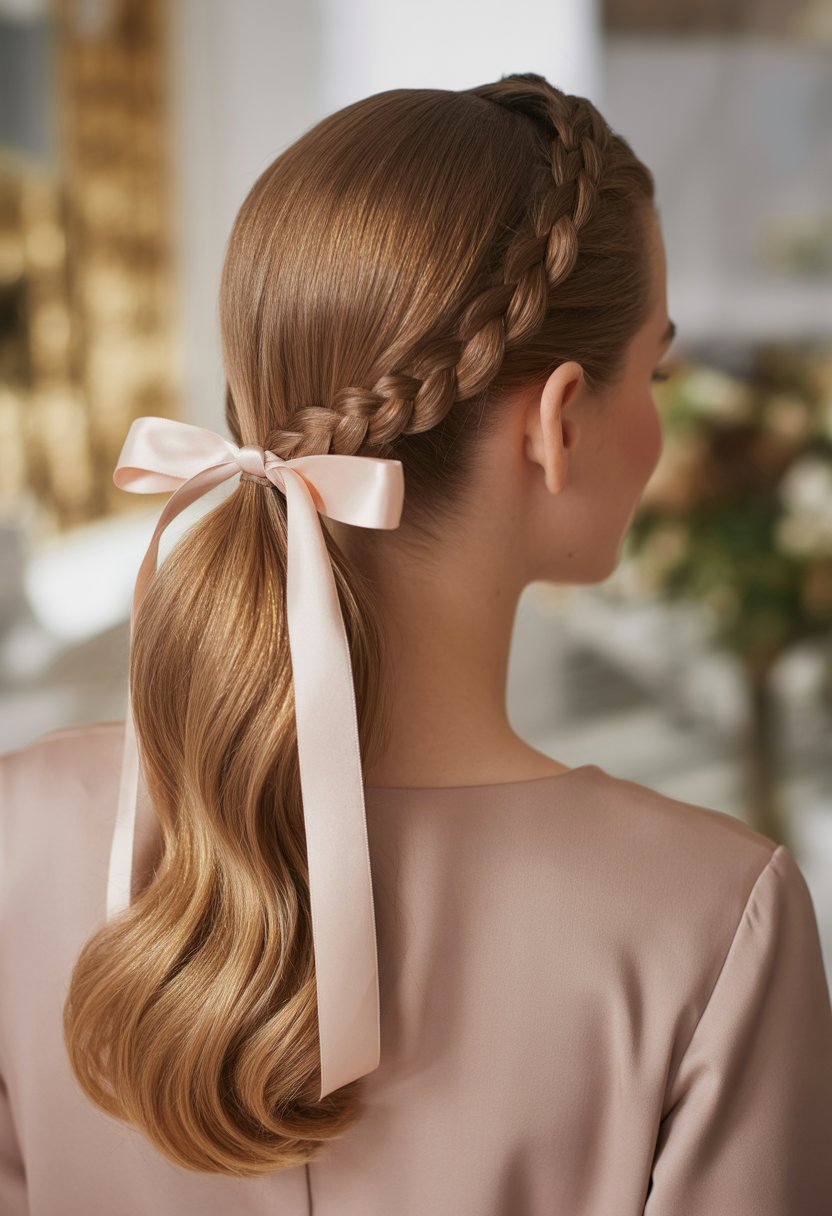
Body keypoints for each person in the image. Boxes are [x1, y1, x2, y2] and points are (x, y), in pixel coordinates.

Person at [1, 71, 830, 1215]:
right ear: (558, 423)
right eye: (659, 370)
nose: (664, 419)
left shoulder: (20, 830)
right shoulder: (714, 922)